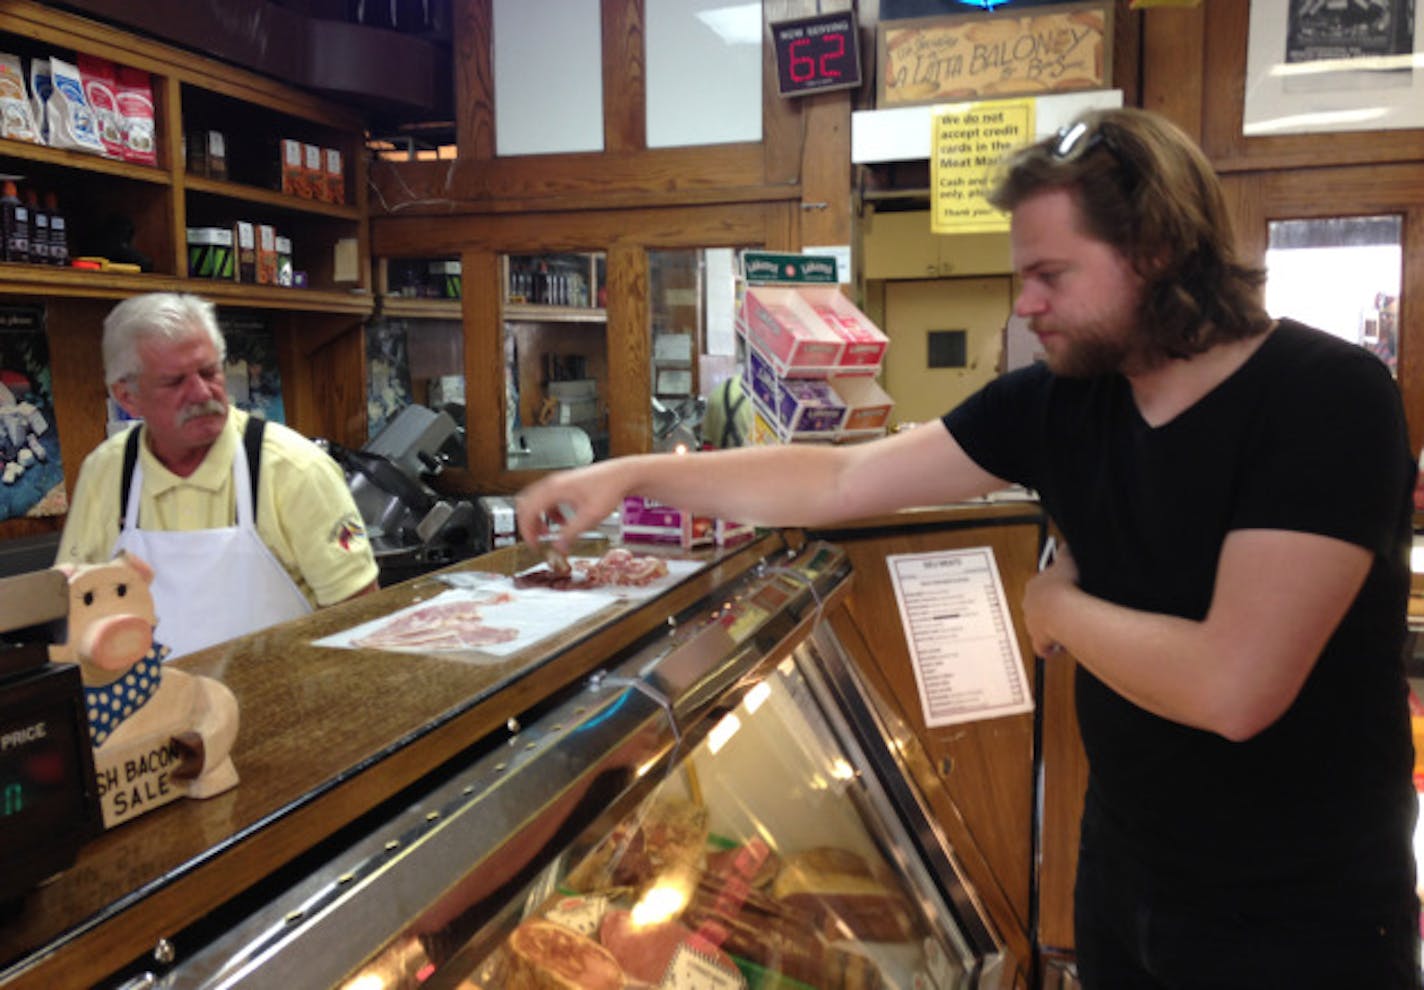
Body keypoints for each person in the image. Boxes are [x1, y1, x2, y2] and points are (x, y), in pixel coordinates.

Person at [517, 108, 1420, 987]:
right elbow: (839, 482)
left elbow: (1235, 687)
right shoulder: (1062, 400)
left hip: (1301, 909)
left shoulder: (1324, 399)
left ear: (1156, 251)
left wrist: (1054, 605)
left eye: (1051, 275)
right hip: (1125, 869)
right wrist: (634, 475)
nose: (1025, 304)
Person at [57, 292, 378, 658]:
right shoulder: (107, 470)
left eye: (209, 372)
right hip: (152, 708)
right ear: (127, 398)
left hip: (282, 704)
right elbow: (75, 609)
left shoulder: (293, 469)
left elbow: (361, 620)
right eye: (174, 382)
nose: (201, 393)